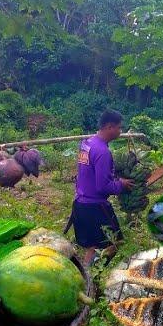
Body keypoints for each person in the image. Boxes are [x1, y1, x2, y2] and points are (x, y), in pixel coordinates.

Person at [69, 109, 134, 267]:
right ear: (110, 127)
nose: (120, 131)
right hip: (95, 207)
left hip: (80, 204)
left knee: (93, 245)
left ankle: (85, 275)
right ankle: (94, 272)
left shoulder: (87, 143)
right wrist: (121, 184)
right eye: (119, 127)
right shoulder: (103, 151)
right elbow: (103, 187)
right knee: (115, 242)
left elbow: (92, 173)